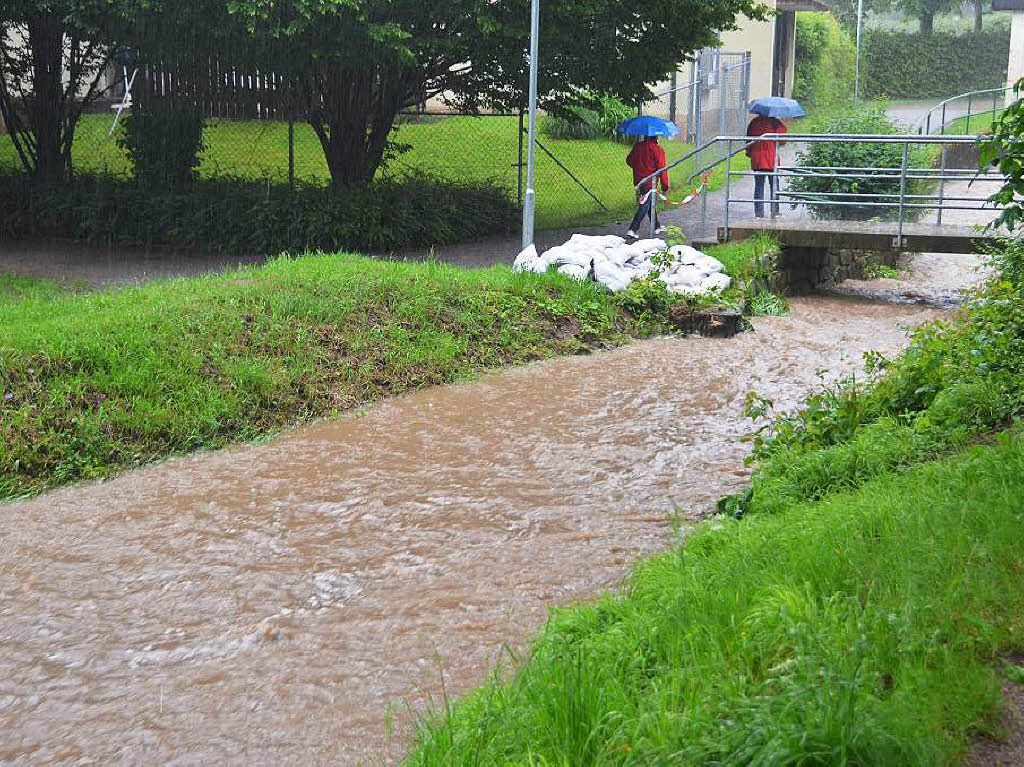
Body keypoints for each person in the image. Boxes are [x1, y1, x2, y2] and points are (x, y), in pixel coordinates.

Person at [625, 135, 669, 238]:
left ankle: (656, 226)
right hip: (650, 183)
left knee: (649, 203)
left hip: (639, 181)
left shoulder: (637, 147)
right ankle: (633, 229)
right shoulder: (658, 150)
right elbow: (662, 169)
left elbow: (629, 160)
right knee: (645, 204)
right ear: (656, 136)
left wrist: (639, 167)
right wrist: (665, 186)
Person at [745, 114, 787, 218]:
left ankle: (759, 214)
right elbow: (783, 140)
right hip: (771, 160)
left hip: (757, 160)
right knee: (774, 187)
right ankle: (775, 212)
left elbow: (748, 141)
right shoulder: (775, 122)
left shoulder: (754, 122)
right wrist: (782, 124)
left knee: (759, 187)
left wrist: (750, 153)